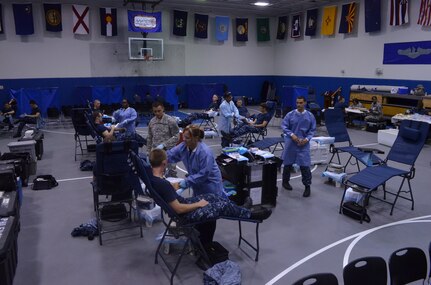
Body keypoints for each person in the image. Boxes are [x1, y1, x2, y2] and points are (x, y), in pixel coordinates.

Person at [148, 148, 271, 223]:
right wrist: (198, 204)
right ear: (164, 163)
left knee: (214, 197)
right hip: (185, 215)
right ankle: (251, 215)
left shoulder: (154, 179)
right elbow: (178, 209)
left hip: (184, 204)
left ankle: (243, 209)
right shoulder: (162, 183)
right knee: (221, 206)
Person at [167, 125, 225, 245]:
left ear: (196, 138)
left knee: (210, 214)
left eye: (187, 138)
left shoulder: (204, 152)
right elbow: (171, 155)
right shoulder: (184, 146)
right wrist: (159, 157)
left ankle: (206, 244)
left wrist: (184, 183)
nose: (184, 140)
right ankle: (198, 239)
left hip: (210, 185)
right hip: (197, 185)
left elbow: (203, 174)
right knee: (199, 209)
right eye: (183, 137)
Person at [281, 96, 316, 198]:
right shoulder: (290, 115)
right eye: (297, 103)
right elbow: (284, 126)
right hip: (291, 142)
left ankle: (307, 186)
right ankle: (285, 181)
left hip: (303, 144)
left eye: (300, 103)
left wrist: (307, 139)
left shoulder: (310, 116)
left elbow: (312, 130)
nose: (298, 105)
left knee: (305, 165)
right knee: (287, 163)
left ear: (305, 103)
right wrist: (292, 135)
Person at [147, 101, 180, 177]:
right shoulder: (152, 122)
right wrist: (148, 153)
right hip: (156, 153)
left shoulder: (170, 121)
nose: (157, 113)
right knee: (157, 176)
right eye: (155, 111)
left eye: (159, 111)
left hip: (168, 153)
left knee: (171, 175)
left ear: (163, 109)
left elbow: (176, 136)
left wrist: (164, 145)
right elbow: (149, 138)